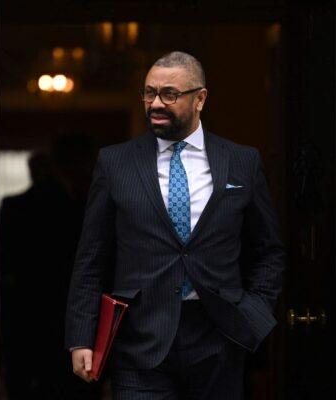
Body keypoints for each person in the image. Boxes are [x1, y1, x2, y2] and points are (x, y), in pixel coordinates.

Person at [65, 51, 286, 399]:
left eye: (169, 94)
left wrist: (254, 309)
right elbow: (91, 257)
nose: (155, 103)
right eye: (149, 93)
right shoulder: (115, 163)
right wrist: (81, 336)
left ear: (200, 99)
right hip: (140, 341)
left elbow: (268, 250)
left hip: (219, 338)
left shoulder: (242, 161)